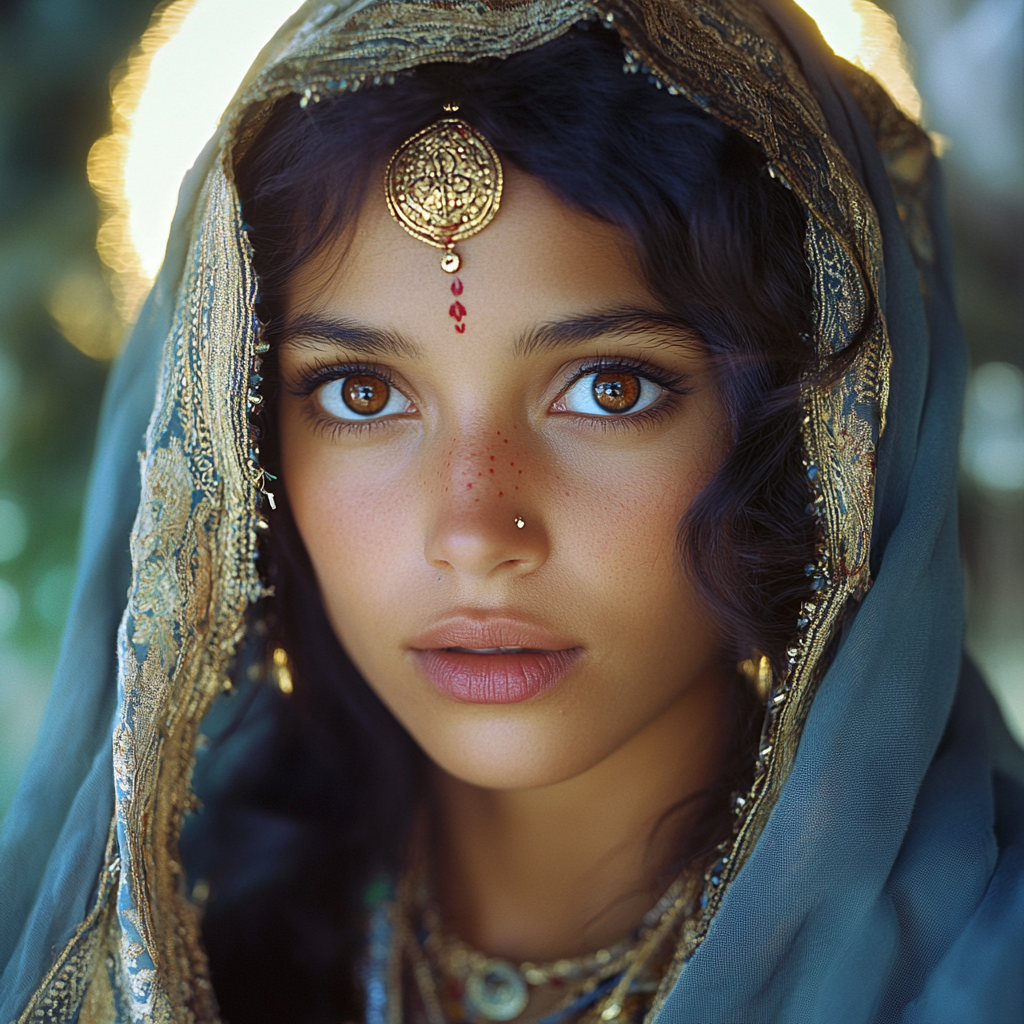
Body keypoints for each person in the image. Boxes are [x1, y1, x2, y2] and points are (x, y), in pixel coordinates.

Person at [1, 1, 1021, 1022]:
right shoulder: (184, 945)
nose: (475, 534)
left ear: (808, 435)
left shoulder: (974, 969)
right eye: (361, 394)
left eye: (608, 389)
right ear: (241, 441)